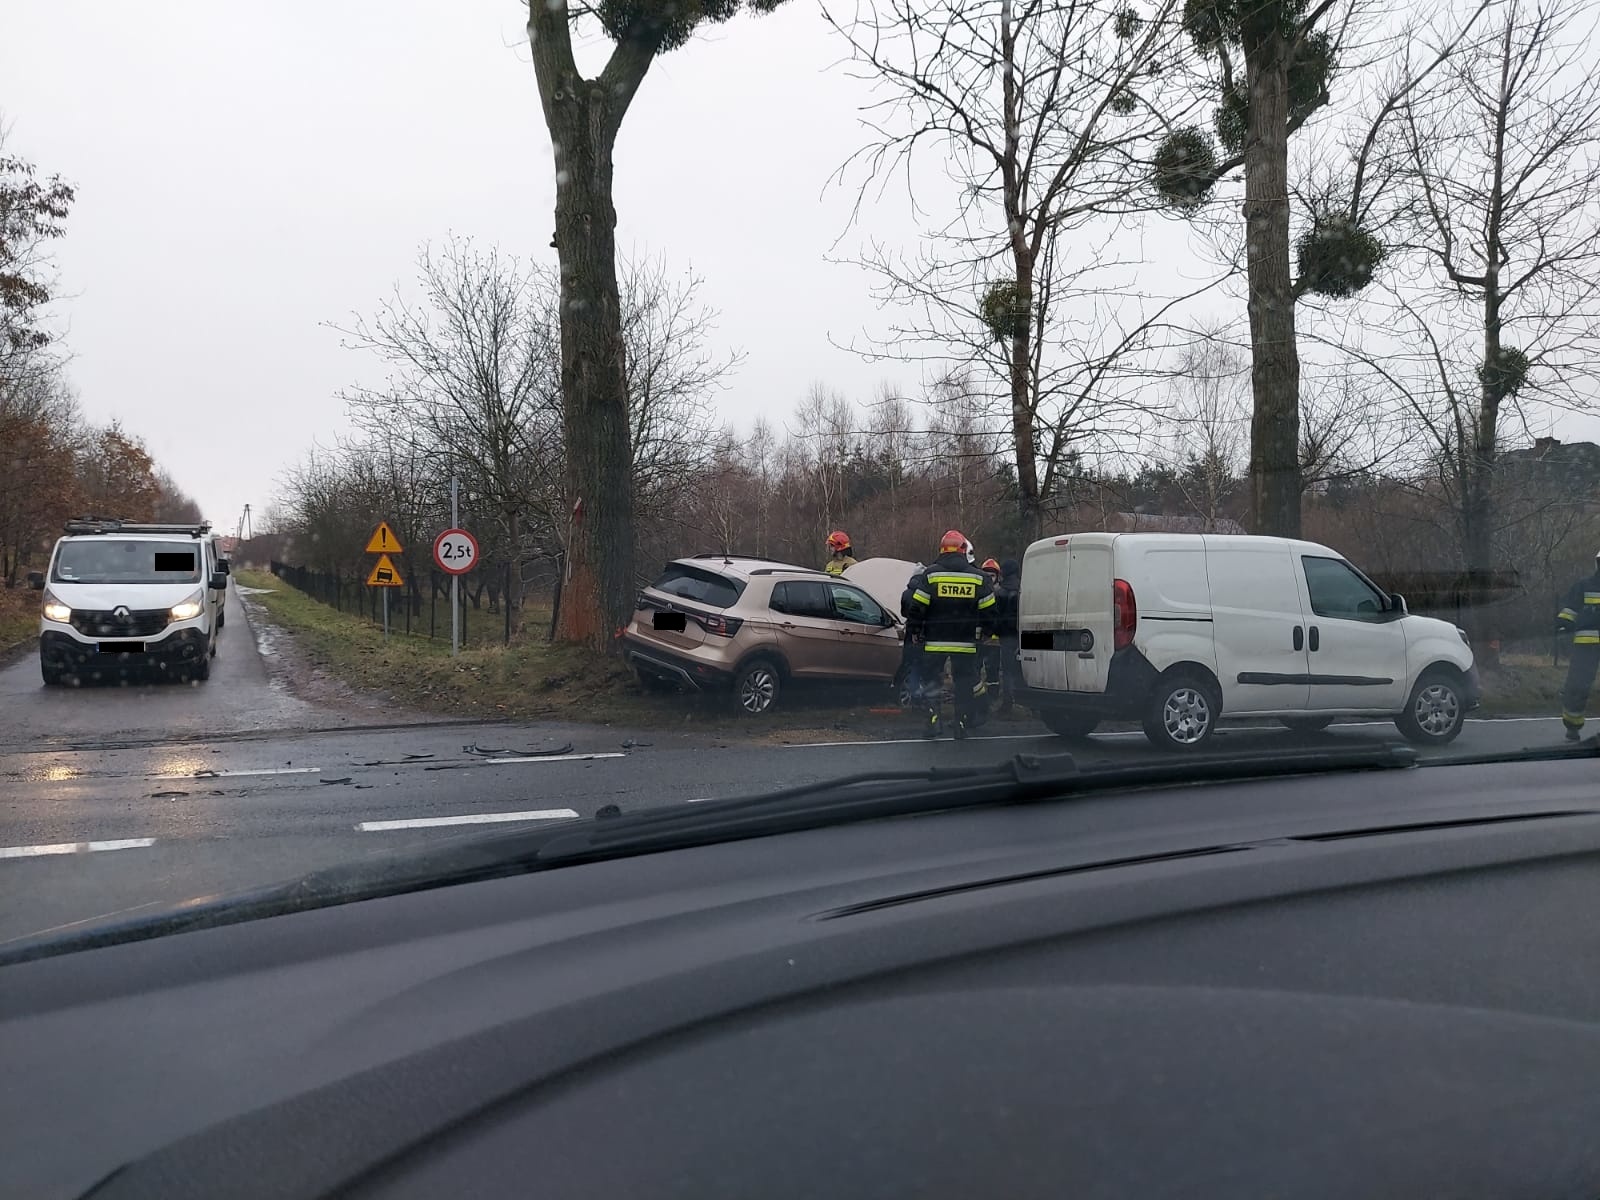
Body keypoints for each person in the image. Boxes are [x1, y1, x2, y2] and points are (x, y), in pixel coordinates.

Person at [904, 530, 997, 739]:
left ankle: (933, 721)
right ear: (964, 551)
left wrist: (915, 632)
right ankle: (961, 724)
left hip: (934, 641)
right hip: (965, 643)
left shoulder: (931, 574)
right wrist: (987, 633)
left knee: (931, 682)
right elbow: (989, 611)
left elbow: (917, 608)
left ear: (942, 549)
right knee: (964, 683)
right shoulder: (979, 577)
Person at [1555, 551, 1600, 741]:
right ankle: (1572, 727)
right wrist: (1563, 624)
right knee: (1578, 686)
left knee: (1578, 685)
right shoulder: (1584, 586)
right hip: (1586, 645)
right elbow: (1570, 609)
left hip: (1586, 645)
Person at [994, 558, 1023, 714]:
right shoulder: (1024, 589)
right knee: (1025, 667)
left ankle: (1007, 703)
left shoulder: (999, 592)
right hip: (1025, 633)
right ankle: (1029, 703)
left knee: (1007, 670)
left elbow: (994, 615)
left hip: (1006, 635)